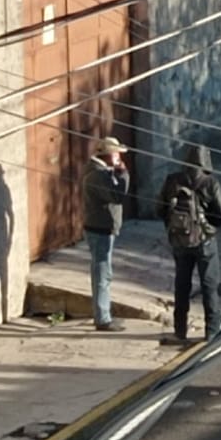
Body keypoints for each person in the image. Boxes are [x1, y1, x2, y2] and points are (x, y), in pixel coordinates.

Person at [156, 143, 221, 346]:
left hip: (179, 240)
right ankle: (212, 331)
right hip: (204, 241)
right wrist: (210, 229)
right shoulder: (210, 182)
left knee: (182, 284)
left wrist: (173, 227)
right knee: (209, 285)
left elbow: (159, 209)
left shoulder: (173, 180)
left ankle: (180, 330)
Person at [82, 135, 131, 332]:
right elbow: (118, 195)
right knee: (102, 274)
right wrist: (123, 173)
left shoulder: (101, 172)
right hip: (100, 229)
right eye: (117, 153)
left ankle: (104, 314)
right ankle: (102, 318)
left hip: (103, 228)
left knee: (104, 273)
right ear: (110, 155)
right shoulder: (97, 175)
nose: (119, 156)